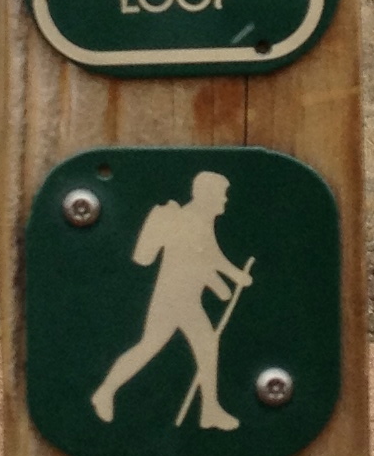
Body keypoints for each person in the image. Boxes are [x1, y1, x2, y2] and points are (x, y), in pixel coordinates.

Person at [90, 169, 254, 431]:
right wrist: (227, 282)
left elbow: (210, 254)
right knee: (153, 347)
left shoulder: (202, 220)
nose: (225, 200)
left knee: (203, 346)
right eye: (222, 194)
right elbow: (202, 262)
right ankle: (105, 392)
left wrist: (233, 276)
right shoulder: (187, 219)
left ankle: (209, 410)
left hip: (186, 300)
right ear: (207, 195)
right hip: (173, 301)